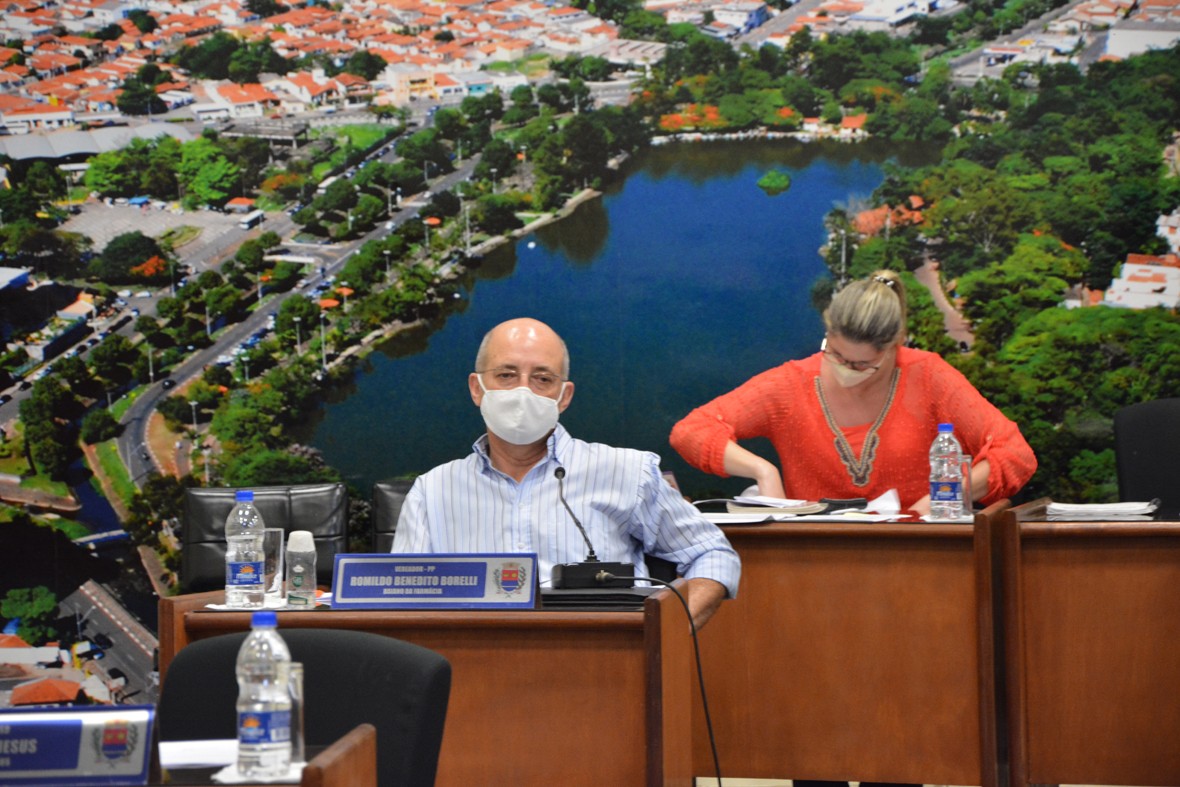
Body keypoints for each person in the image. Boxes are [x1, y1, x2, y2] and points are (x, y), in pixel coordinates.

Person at [393, 317, 741, 629]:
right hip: (471, 670)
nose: (523, 391)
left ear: (564, 396)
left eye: (542, 379)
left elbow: (711, 554)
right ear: (476, 388)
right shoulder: (432, 492)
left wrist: (665, 634)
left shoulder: (627, 473)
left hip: (604, 667)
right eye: (506, 375)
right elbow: (400, 606)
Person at [670, 270, 1037, 517]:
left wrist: (947, 494)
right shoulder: (791, 384)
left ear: (894, 346)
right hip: (813, 561)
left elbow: (1015, 454)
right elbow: (692, 431)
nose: (845, 369)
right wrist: (763, 471)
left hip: (917, 554)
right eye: (835, 354)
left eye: (862, 365)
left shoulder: (927, 376)